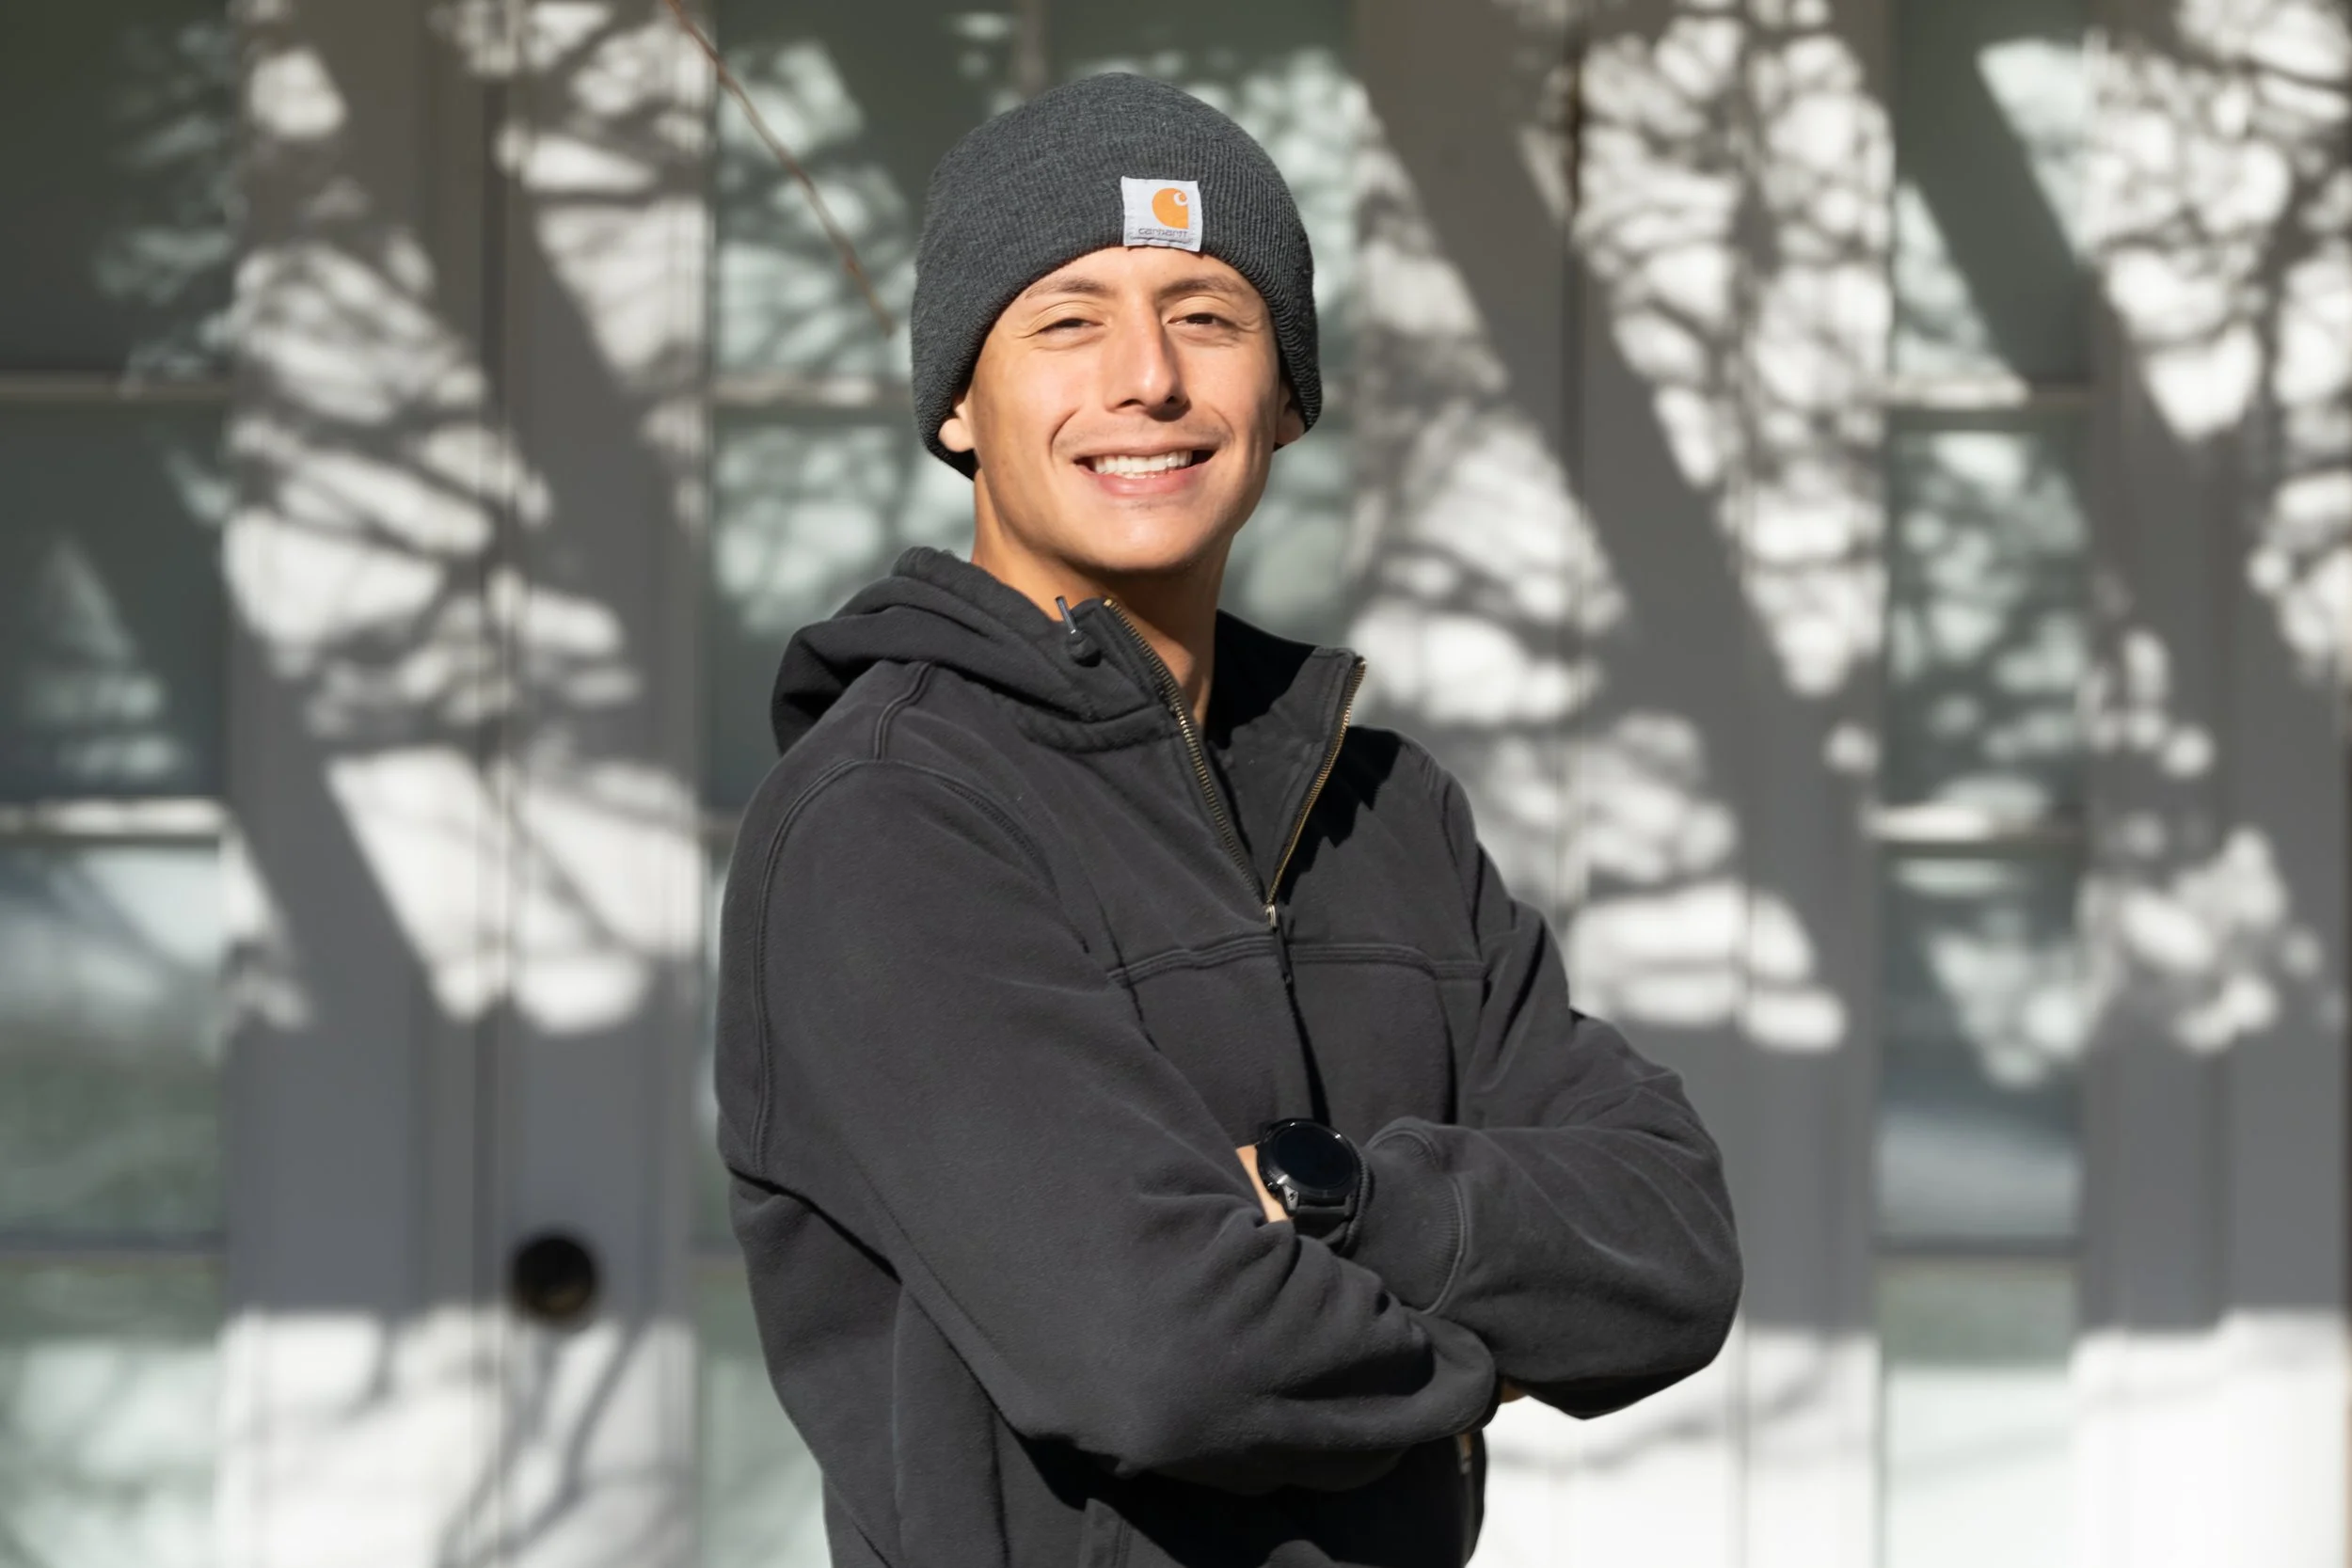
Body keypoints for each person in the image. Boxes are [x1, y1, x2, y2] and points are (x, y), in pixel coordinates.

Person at [713, 72, 1741, 1568]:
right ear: (957, 402)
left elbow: (1671, 1242)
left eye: (1209, 315)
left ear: (1289, 395)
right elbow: (1153, 1353)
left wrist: (1345, 1208)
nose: (1149, 380)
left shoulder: (1385, 811)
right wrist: (1474, 1376)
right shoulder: (893, 817)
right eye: (1069, 319)